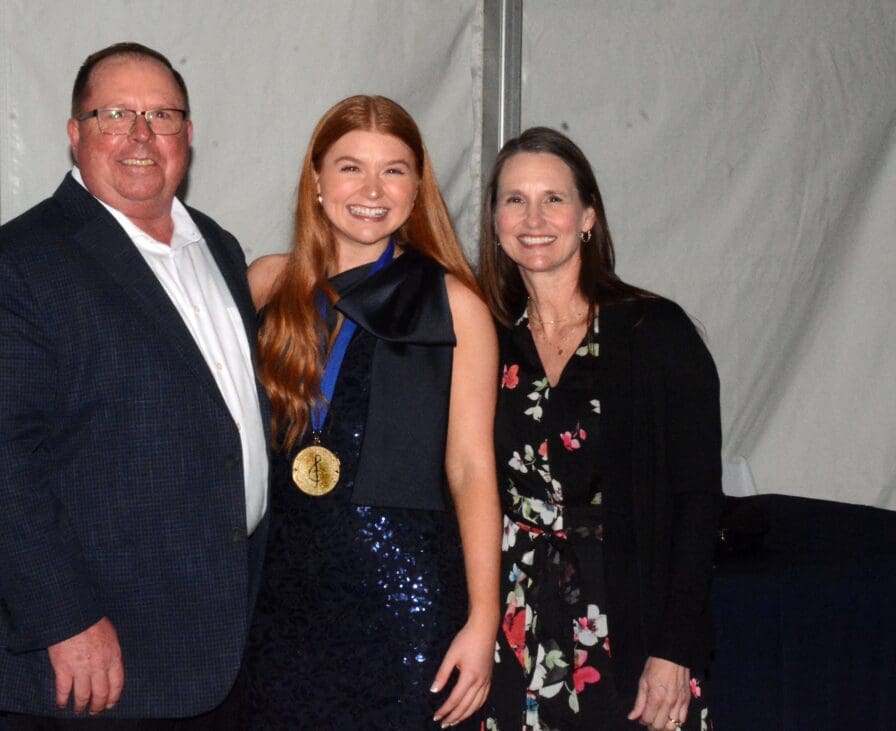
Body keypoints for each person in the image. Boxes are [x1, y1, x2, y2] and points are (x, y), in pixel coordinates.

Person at [0, 42, 268, 728]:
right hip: (101, 666)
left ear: (188, 134)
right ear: (75, 133)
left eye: (163, 115)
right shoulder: (18, 264)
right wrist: (65, 619)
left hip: (227, 656)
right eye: (115, 113)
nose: (142, 136)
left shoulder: (220, 249)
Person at [245, 95, 502, 729]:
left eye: (394, 169)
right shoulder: (267, 285)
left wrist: (482, 620)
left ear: (418, 188)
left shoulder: (454, 305)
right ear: (316, 180)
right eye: (350, 166)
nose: (372, 188)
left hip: (406, 604)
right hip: (280, 603)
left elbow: (472, 469)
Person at [477, 127, 722, 731]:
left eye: (553, 199)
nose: (534, 217)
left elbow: (697, 504)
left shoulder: (655, 333)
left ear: (588, 216)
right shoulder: (487, 345)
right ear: (495, 219)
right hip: (517, 630)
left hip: (633, 634)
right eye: (515, 199)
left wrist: (674, 648)